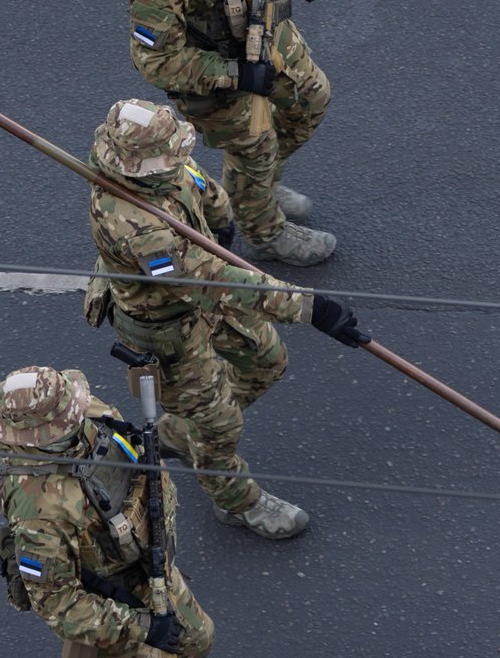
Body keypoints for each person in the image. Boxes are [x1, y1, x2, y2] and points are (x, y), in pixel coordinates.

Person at [85, 99, 368, 539]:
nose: (178, 159)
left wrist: (221, 220)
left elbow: (199, 183)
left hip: (201, 300)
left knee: (266, 360)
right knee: (219, 427)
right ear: (136, 165)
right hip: (169, 329)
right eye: (168, 157)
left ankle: (180, 433)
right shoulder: (135, 227)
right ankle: (236, 501)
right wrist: (310, 308)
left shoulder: (160, 164)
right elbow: (212, 278)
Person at [114, 0, 336, 266]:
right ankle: (264, 233)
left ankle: (254, 189)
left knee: (311, 100)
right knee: (254, 146)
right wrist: (237, 74)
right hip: (216, 69)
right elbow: (157, 60)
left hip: (263, 26)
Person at [0, 365, 214, 658]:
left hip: (143, 560)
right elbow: (59, 606)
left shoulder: (83, 413)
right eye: (67, 417)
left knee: (198, 640)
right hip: (108, 599)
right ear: (43, 436)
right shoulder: (40, 508)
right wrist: (143, 628)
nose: (80, 412)